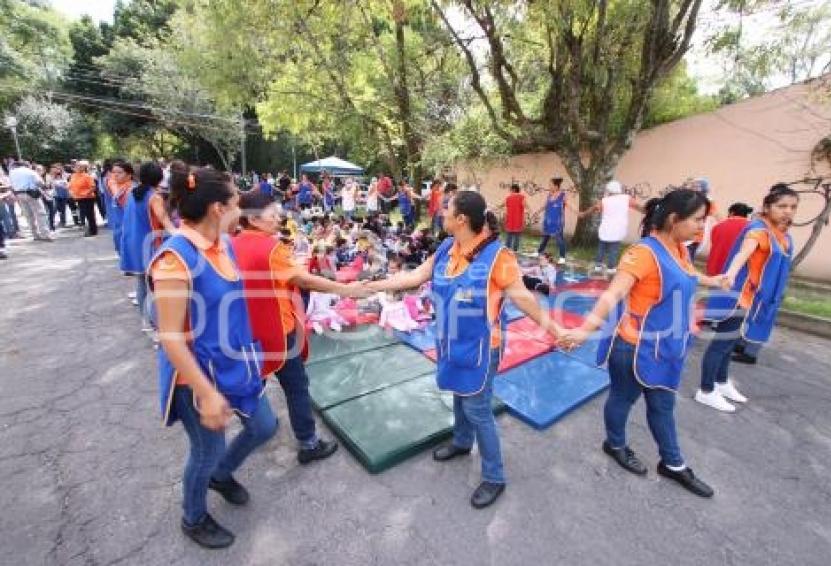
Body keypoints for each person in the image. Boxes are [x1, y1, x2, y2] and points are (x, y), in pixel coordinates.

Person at [367, 191, 571, 509]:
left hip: (481, 347)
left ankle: (494, 476)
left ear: (461, 219)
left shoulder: (499, 258)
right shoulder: (449, 246)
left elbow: (525, 300)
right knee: (460, 395)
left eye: (446, 210)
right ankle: (462, 442)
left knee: (478, 408)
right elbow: (417, 275)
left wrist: (558, 331)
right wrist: (376, 284)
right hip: (450, 341)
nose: (440, 213)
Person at [560, 189, 728, 498]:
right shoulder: (642, 253)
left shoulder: (679, 248)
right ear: (674, 219)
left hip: (666, 347)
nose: (702, 227)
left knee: (662, 405)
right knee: (624, 398)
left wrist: (714, 281)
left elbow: (688, 273)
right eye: (697, 220)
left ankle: (672, 463)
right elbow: (613, 294)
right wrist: (584, 330)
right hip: (633, 348)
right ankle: (615, 444)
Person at [149, 164, 276, 549]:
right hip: (196, 378)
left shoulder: (224, 243)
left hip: (236, 363)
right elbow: (169, 336)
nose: (242, 208)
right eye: (237, 201)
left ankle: (222, 475)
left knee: (264, 427)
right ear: (218, 208)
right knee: (207, 451)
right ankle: (193, 516)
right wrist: (206, 393)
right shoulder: (175, 259)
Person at [231, 190, 370, 463]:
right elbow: (304, 280)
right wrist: (346, 290)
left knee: (253, 384)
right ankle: (308, 443)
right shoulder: (271, 249)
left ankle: (258, 426)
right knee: (296, 386)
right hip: (278, 332)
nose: (278, 217)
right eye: (272, 214)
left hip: (248, 331)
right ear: (254, 220)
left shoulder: (231, 245)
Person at [697, 184, 798, 412]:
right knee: (722, 343)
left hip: (755, 298)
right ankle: (705, 390)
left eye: (792, 207)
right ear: (767, 207)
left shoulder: (780, 235)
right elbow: (743, 254)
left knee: (732, 341)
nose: (788, 211)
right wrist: (730, 275)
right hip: (739, 296)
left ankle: (721, 383)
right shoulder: (758, 230)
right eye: (782, 206)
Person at [120, 161, 176, 333]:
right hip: (149, 246)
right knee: (154, 286)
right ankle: (156, 324)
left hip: (132, 244)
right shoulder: (154, 197)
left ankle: (145, 321)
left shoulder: (133, 193)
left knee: (142, 283)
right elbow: (165, 222)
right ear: (159, 177)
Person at [578, 180, 644, 274]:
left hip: (605, 228)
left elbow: (594, 208)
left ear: (609, 190)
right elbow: (638, 207)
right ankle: (611, 268)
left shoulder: (605, 200)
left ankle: (598, 266)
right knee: (614, 249)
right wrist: (648, 211)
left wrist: (583, 214)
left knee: (601, 248)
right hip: (617, 229)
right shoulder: (626, 198)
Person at [530, 176, 575, 264]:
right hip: (548, 220)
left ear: (556, 186)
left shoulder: (563, 195)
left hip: (558, 221)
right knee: (545, 238)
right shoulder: (550, 194)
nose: (549, 186)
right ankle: (538, 252)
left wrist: (577, 212)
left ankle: (562, 257)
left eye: (551, 184)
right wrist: (537, 212)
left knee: (559, 239)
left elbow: (569, 205)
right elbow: (545, 205)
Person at [8, 161, 53, 241]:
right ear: (26, 165)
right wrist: (44, 187)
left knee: (28, 215)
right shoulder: (29, 171)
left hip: (19, 194)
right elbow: (39, 182)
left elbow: (11, 185)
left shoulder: (12, 173)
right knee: (40, 214)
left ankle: (35, 235)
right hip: (32, 194)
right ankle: (45, 234)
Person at [108, 161, 135, 256]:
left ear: (129, 175)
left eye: (119, 172)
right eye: (113, 172)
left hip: (127, 231)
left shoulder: (131, 190)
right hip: (118, 228)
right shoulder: (118, 187)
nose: (115, 175)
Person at [69, 161, 99, 237]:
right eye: (76, 166)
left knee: (90, 214)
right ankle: (89, 229)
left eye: (79, 166)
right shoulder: (73, 176)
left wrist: (86, 193)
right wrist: (71, 192)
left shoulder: (87, 176)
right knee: (84, 214)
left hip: (88, 198)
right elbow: (71, 186)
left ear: (83, 168)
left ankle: (93, 230)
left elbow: (93, 187)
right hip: (78, 198)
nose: (77, 168)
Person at [503, 183, 526, 251]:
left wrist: (495, 208)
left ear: (513, 190)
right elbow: (526, 206)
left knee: (509, 237)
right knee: (517, 237)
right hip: (518, 221)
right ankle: (515, 252)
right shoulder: (522, 197)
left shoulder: (508, 198)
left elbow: (502, 205)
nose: (510, 192)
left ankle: (506, 251)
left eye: (510, 190)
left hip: (510, 221)